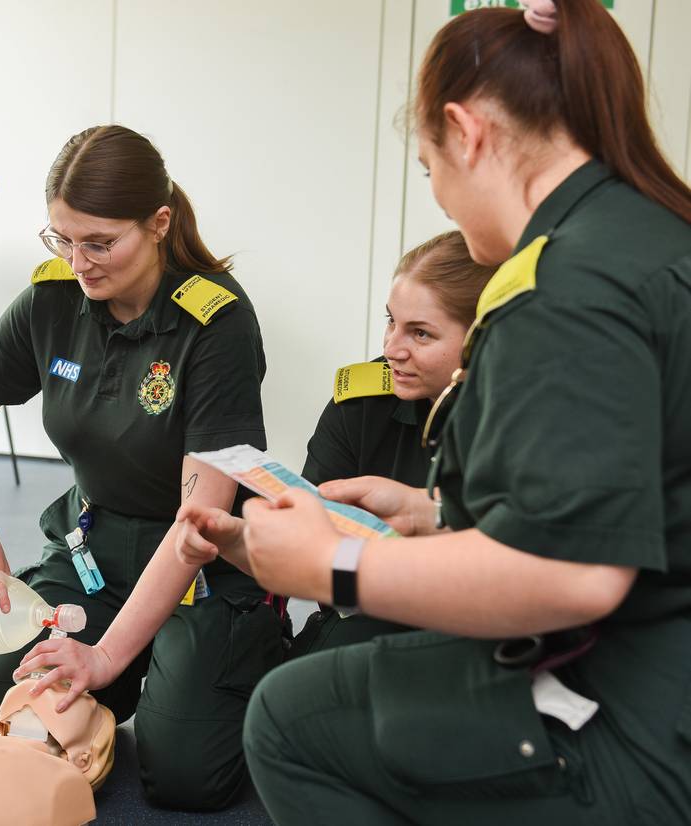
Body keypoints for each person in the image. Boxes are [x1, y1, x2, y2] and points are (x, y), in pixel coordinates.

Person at [179, 0, 691, 823]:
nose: (442, 200)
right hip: (660, 663)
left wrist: (332, 568)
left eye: (427, 168)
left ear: (465, 132)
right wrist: (429, 512)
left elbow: (574, 573)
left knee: (289, 719)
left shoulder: (562, 290)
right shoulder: (654, 234)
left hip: (632, 722)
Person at [0, 124, 291, 810]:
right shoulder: (51, 299)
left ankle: (237, 654)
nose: (78, 261)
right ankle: (121, 678)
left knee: (186, 780)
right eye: (60, 239)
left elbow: (199, 521)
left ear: (158, 224)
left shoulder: (215, 322)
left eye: (99, 242)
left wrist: (104, 657)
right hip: (88, 549)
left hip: (202, 567)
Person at [294, 230, 496, 653]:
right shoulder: (362, 403)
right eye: (391, 321)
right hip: (371, 614)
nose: (391, 348)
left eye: (420, 334)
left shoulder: (524, 418)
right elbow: (315, 547)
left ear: (483, 340)